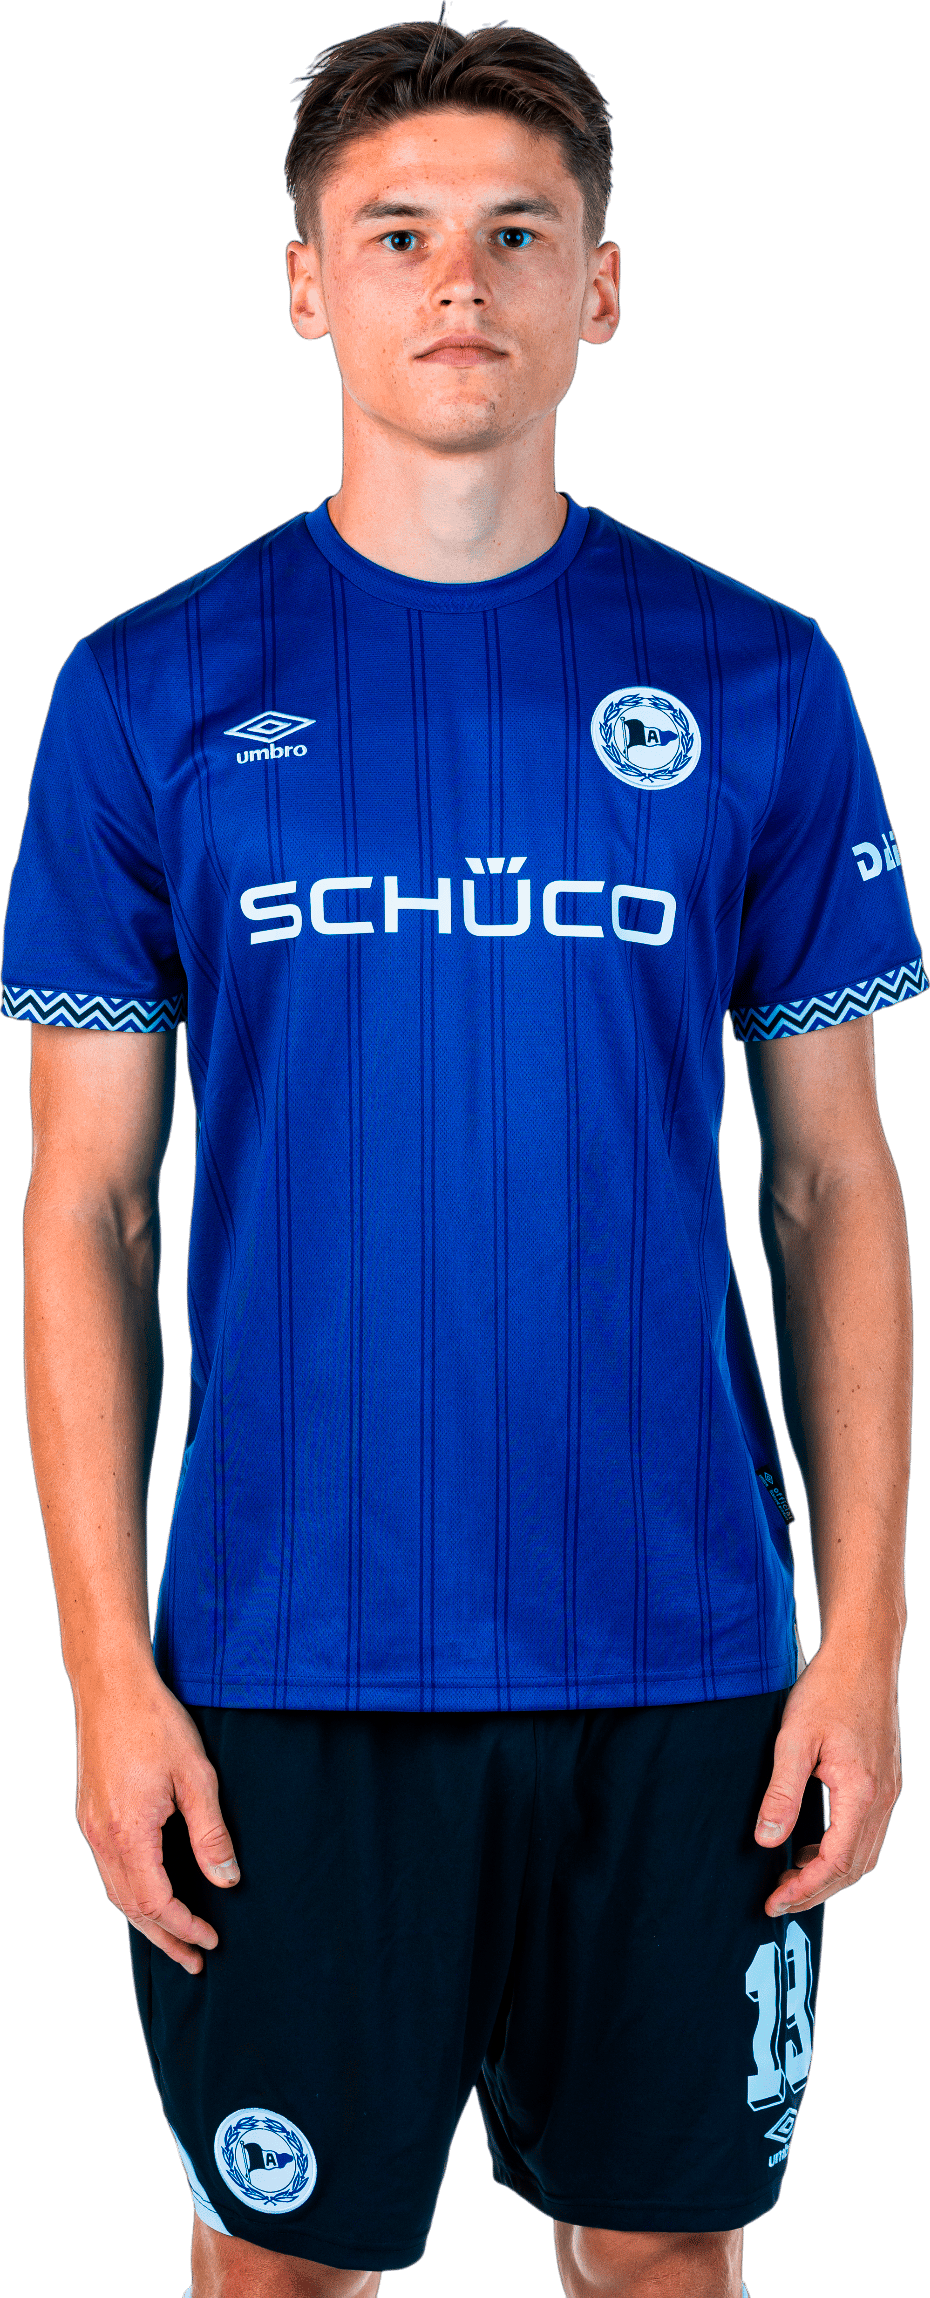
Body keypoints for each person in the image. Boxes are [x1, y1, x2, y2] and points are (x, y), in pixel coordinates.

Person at [3, 19, 920, 2298]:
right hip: (286, 1653)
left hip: (683, 1649)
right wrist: (108, 1673)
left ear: (599, 288)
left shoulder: (759, 675)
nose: (457, 284)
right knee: (277, 2275)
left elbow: (831, 1185)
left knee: (668, 2264)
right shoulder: (147, 688)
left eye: (518, 233)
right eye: (396, 232)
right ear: (304, 286)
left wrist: (865, 1640)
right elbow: (89, 1209)